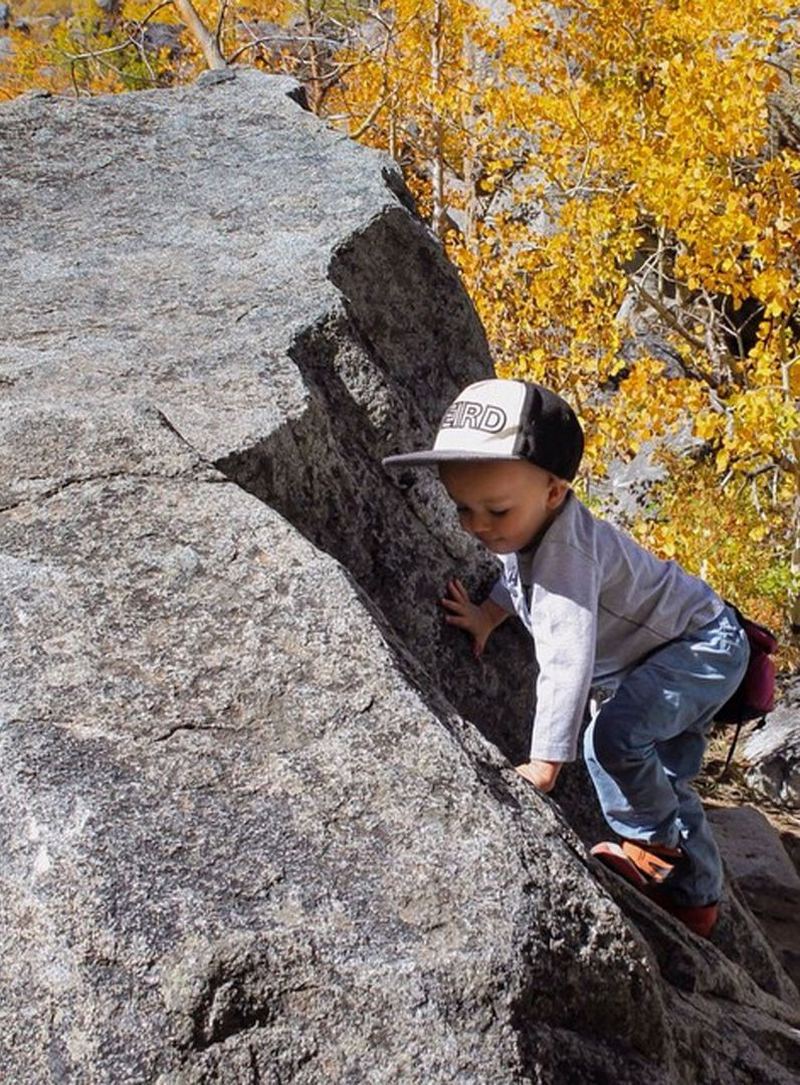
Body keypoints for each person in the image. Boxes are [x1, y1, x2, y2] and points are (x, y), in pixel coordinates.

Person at [382, 377, 750, 938]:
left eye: (495, 511)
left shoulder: (567, 558)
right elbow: (517, 575)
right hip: (675, 649)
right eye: (462, 508)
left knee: (612, 741)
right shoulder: (530, 532)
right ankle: (696, 900)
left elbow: (566, 657)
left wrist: (545, 761)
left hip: (699, 645)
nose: (479, 526)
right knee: (662, 774)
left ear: (555, 492)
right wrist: (489, 615)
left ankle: (650, 851)